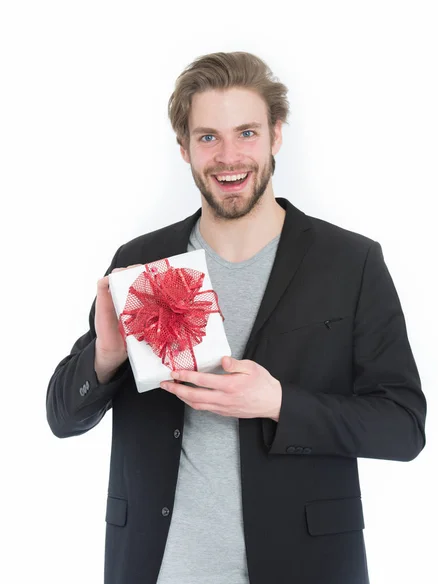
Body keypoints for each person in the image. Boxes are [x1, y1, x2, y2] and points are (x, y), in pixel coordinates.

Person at [46, 51, 427, 584]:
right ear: (184, 148)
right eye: (207, 137)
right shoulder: (143, 263)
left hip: (305, 567)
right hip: (159, 568)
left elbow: (404, 427)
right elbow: (62, 417)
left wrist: (278, 404)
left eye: (246, 132)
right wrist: (106, 358)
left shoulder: (352, 263)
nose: (229, 157)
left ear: (276, 134)